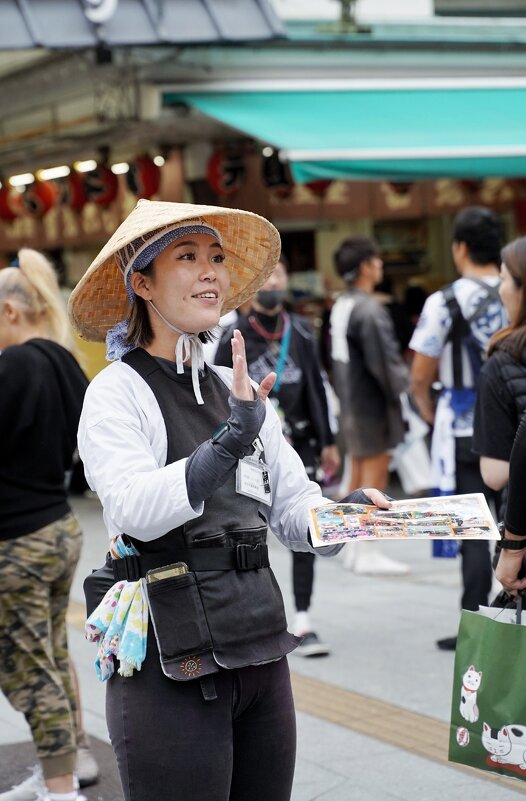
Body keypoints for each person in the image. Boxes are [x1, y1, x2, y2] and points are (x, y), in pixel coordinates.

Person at [70, 199, 390, 801]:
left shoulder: (230, 387)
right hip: (169, 656)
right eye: (187, 258)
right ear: (142, 283)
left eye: (216, 257)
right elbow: (136, 507)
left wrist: (348, 516)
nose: (210, 271)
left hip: (261, 645)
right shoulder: (116, 391)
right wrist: (230, 438)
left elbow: (292, 510)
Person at [214, 255, 340, 656]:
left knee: (305, 513)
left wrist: (328, 440)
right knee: (249, 528)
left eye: (279, 276)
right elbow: (218, 396)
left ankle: (303, 616)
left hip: (300, 441)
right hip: (252, 447)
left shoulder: (301, 331)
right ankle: (253, 613)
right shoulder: (233, 336)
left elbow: (318, 389)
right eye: (265, 279)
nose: (273, 285)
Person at [0, 250, 89, 801]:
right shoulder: (62, 359)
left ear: (11, 311)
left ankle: (61, 789)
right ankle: (64, 768)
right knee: (53, 655)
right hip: (59, 527)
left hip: (16, 541)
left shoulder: (12, 366)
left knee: (28, 669)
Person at [410, 206, 508, 650]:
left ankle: (474, 629)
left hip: (465, 428)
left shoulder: (444, 302)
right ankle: (511, 617)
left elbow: (419, 374)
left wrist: (433, 414)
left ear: (460, 248)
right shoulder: (516, 291)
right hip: (515, 425)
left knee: (473, 527)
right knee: (515, 520)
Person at [330, 236, 410, 576]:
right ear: (365, 266)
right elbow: (387, 366)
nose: (380, 266)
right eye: (376, 261)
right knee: (374, 478)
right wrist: (408, 395)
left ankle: (353, 547)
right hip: (373, 406)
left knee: (359, 477)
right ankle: (367, 551)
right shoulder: (369, 308)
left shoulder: (341, 304)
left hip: (350, 401)